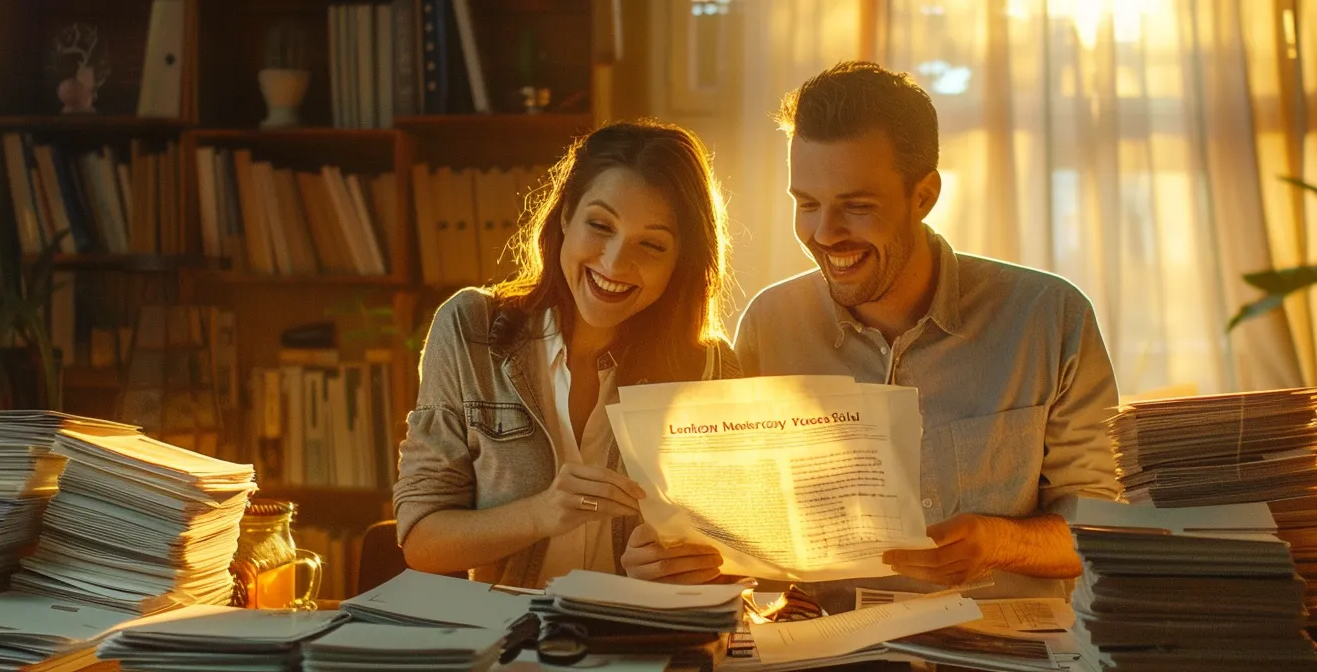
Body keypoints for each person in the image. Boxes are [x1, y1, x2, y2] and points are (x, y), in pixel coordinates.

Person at [619, 62, 1122, 612]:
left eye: (856, 207)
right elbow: (750, 549)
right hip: (825, 648)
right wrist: (678, 560)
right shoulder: (770, 325)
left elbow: (1102, 530)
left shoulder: (1050, 317)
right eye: (806, 204)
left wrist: (999, 541)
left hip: (1004, 645)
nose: (825, 234)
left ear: (924, 195)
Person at [396, 121, 739, 589]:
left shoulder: (710, 368)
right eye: (600, 226)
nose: (615, 264)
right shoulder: (471, 328)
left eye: (652, 244)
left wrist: (668, 569)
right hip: (510, 644)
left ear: (681, 260)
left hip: (639, 642)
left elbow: (736, 553)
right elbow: (421, 541)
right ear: (564, 218)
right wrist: (541, 513)